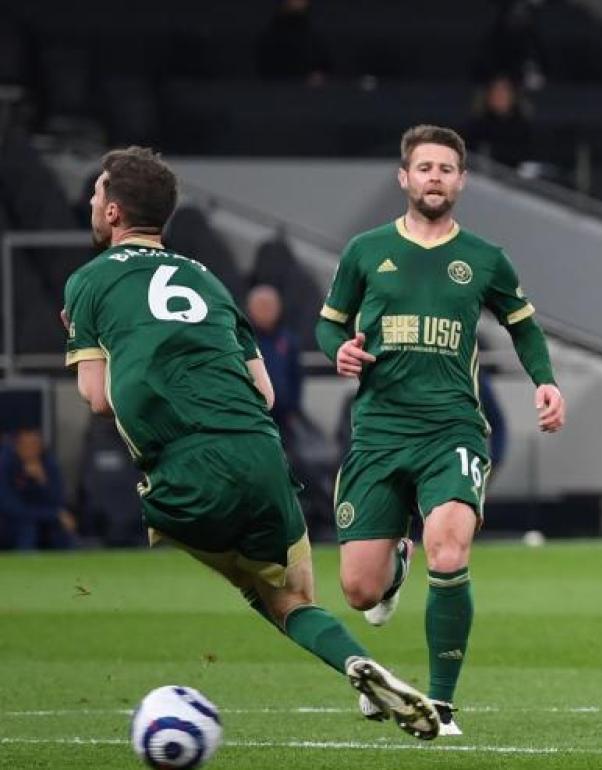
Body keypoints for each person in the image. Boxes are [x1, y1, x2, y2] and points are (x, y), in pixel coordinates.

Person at [63, 147, 440, 740]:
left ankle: (354, 664)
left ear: (112, 212)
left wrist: (107, 349)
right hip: (259, 451)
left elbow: (97, 398)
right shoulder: (208, 279)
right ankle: (356, 659)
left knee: (267, 595)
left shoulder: (87, 282)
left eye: (94, 195)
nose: (89, 202)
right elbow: (263, 391)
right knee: (297, 594)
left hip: (181, 472)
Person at [315, 125, 565, 737]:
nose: (434, 177)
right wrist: (338, 353)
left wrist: (545, 380)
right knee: (357, 591)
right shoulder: (366, 250)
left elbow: (523, 327)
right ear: (404, 178)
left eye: (445, 168)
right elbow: (329, 326)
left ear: (461, 180)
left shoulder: (484, 258)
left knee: (449, 551)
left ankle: (442, 704)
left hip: (452, 429)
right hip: (378, 433)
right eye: (424, 167)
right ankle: (394, 566)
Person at [0, 428, 76, 550]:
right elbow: (11, 507)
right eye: (27, 445)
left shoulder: (48, 464)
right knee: (27, 529)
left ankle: (72, 566)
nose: (32, 450)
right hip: (12, 522)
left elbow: (58, 500)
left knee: (62, 530)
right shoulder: (5, 465)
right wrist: (53, 515)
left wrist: (42, 481)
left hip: (44, 519)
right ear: (17, 446)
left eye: (36, 444)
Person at [247, 284, 303, 436]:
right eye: (261, 305)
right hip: (251, 415)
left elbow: (296, 376)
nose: (266, 310)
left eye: (270, 305)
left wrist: (294, 408)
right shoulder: (242, 340)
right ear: (250, 308)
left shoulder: (287, 340)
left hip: (283, 418)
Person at [463, 75, 535, 170]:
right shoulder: (475, 127)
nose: (499, 95)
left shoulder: (525, 128)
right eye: (495, 91)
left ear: (513, 96)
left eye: (504, 91)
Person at [256, 0, 332, 86]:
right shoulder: (270, 37)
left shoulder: (316, 36)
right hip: (276, 91)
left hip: (310, 94)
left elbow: (324, 67)